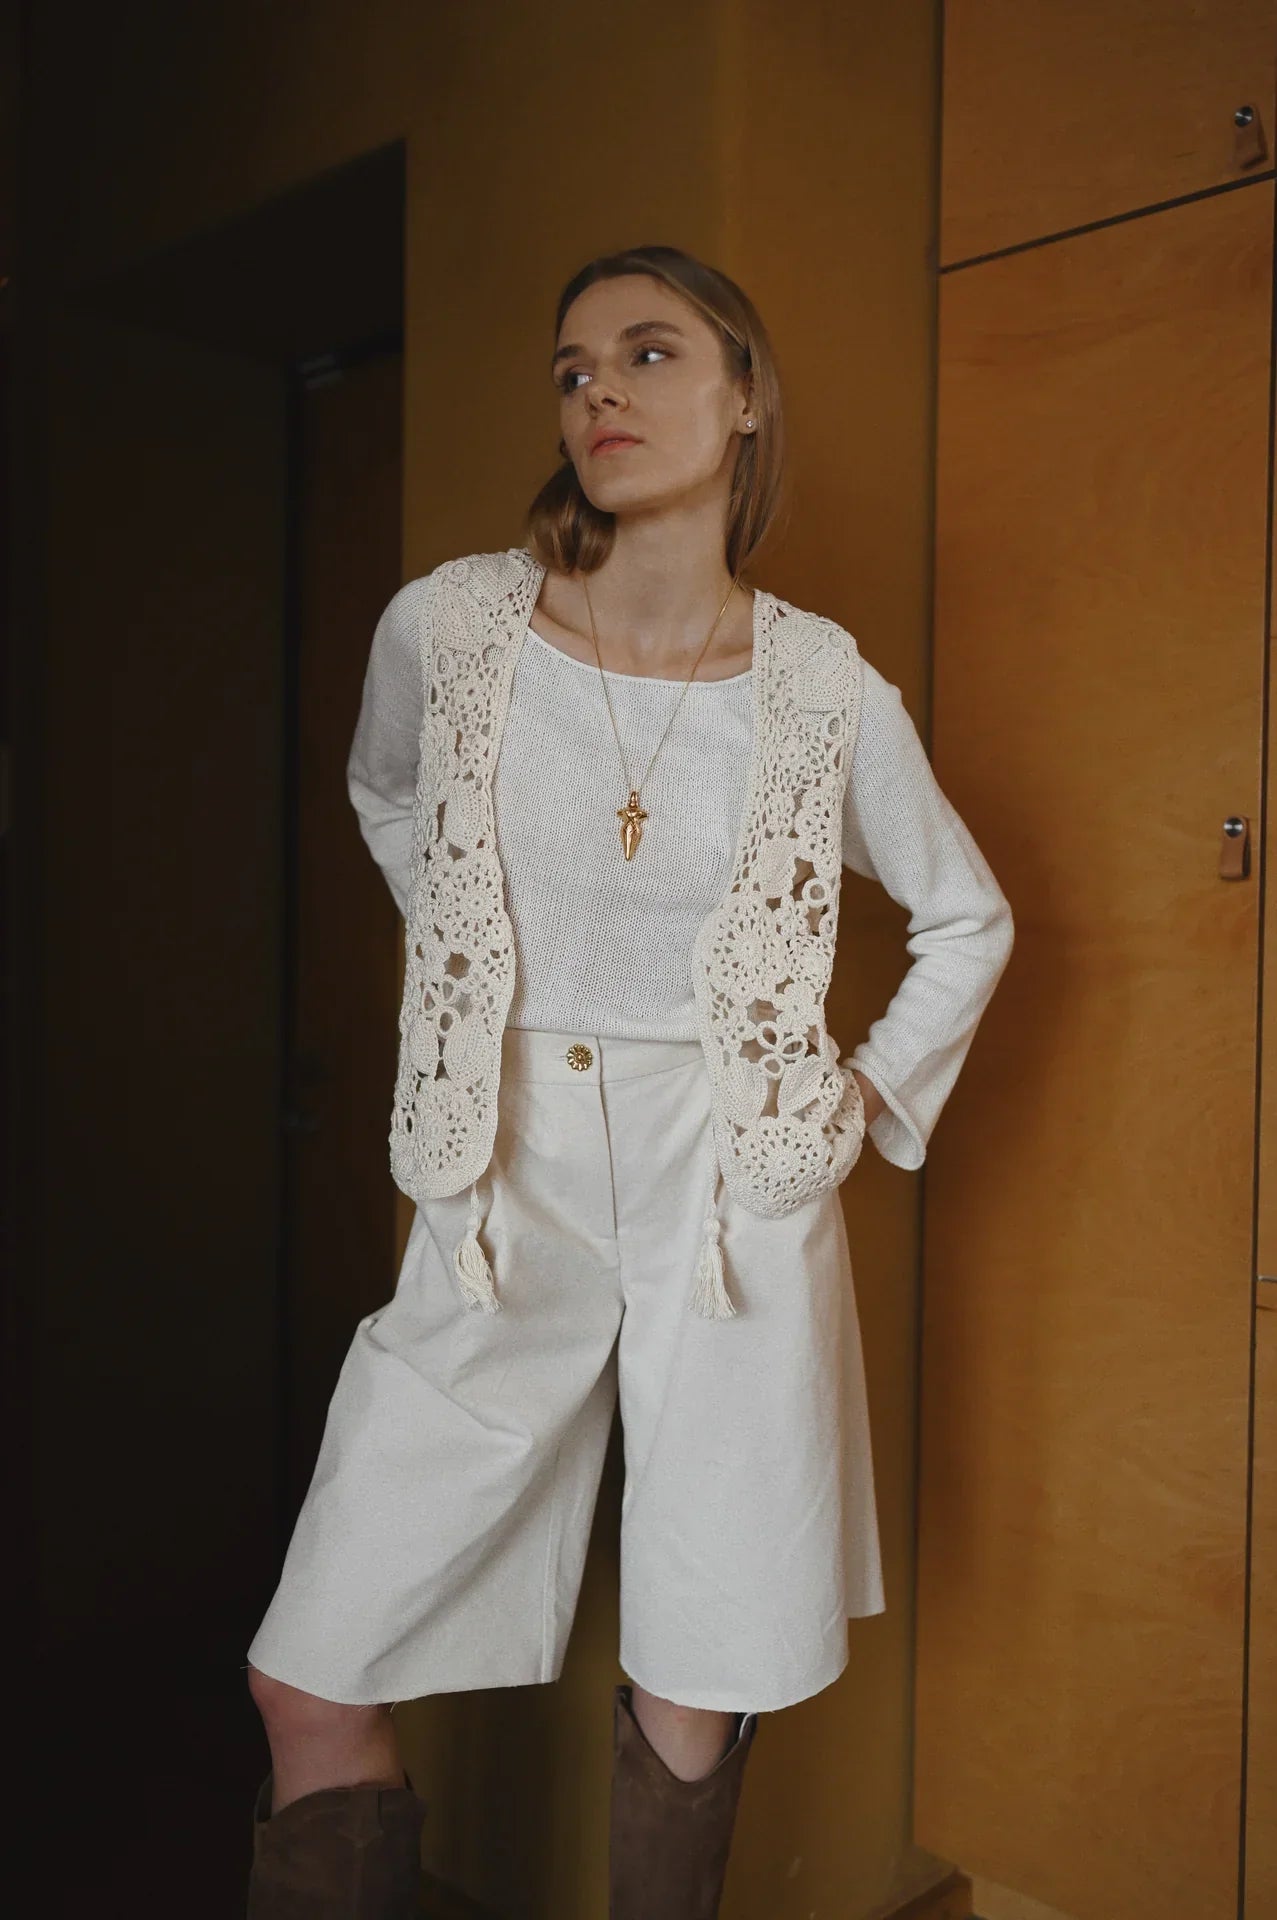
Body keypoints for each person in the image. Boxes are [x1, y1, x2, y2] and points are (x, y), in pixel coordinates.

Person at [242, 243, 1015, 1920]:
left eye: (650, 354)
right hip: (495, 1184)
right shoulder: (448, 627)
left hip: (727, 1195)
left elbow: (965, 915)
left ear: (742, 399)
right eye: (574, 367)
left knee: (694, 1684)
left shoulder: (821, 690)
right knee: (312, 1675)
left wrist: (852, 1108)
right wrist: (474, 978)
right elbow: (391, 803)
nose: (599, 389)